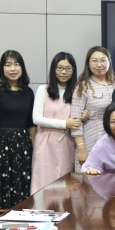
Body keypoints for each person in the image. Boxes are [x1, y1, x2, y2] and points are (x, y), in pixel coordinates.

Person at [0, 50, 36, 208]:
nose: (12, 69)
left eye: (16, 64)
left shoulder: (28, 92)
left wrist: (36, 149)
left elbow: (31, 124)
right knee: (1, 189)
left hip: (23, 148)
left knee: (23, 189)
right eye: (8, 65)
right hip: (2, 147)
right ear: (2, 68)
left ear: (22, 68)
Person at [31, 52, 82, 195]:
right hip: (46, 141)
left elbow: (77, 118)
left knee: (65, 182)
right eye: (59, 68)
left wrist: (84, 116)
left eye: (68, 68)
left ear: (73, 70)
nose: (63, 72)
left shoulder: (77, 91)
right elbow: (36, 118)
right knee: (43, 182)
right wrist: (65, 123)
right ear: (53, 69)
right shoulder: (43, 89)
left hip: (68, 142)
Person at [71, 46, 115, 170]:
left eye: (103, 60)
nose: (99, 65)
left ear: (109, 62)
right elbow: (75, 120)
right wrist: (81, 148)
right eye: (94, 61)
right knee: (88, 178)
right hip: (90, 139)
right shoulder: (83, 86)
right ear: (88, 63)